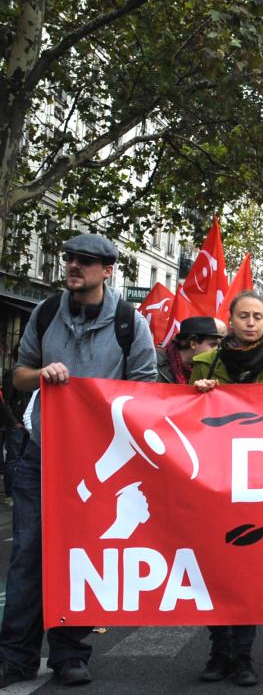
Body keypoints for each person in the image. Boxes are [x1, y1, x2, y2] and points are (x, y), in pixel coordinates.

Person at [1, 234, 156, 688]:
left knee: (82, 557)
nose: (74, 266)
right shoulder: (45, 313)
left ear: (108, 271)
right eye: (71, 259)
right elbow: (20, 375)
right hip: (40, 457)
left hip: (98, 466)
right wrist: (42, 376)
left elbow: (145, 390)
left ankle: (70, 653)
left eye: (86, 262)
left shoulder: (131, 322)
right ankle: (16, 657)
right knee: (28, 556)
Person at [191, 291, 263, 686]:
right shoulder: (202, 363)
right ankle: (220, 650)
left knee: (249, 570)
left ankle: (244, 655)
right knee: (215, 567)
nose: (250, 322)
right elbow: (179, 419)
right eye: (243, 316)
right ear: (230, 320)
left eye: (257, 317)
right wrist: (197, 397)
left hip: (258, 483)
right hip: (212, 480)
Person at [156, 316, 224, 383]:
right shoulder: (154, 362)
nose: (216, 350)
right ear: (193, 344)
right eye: (213, 345)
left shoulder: (208, 369)